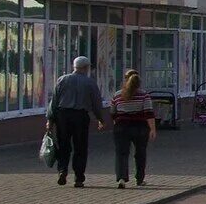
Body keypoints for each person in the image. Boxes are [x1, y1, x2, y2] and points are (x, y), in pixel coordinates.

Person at [46, 57, 108, 189]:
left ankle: (62, 170)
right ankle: (78, 177)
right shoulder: (90, 83)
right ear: (85, 68)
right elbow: (96, 103)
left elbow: (54, 101)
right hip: (80, 116)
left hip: (62, 116)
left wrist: (50, 120)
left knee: (63, 145)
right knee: (80, 147)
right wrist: (100, 119)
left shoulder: (62, 80)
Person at [110, 70, 158, 188]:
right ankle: (139, 179)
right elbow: (149, 113)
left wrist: (117, 122)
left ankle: (121, 178)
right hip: (140, 127)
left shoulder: (117, 95)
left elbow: (113, 113)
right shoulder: (144, 95)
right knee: (140, 153)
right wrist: (152, 129)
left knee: (122, 153)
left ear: (125, 80)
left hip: (122, 127)